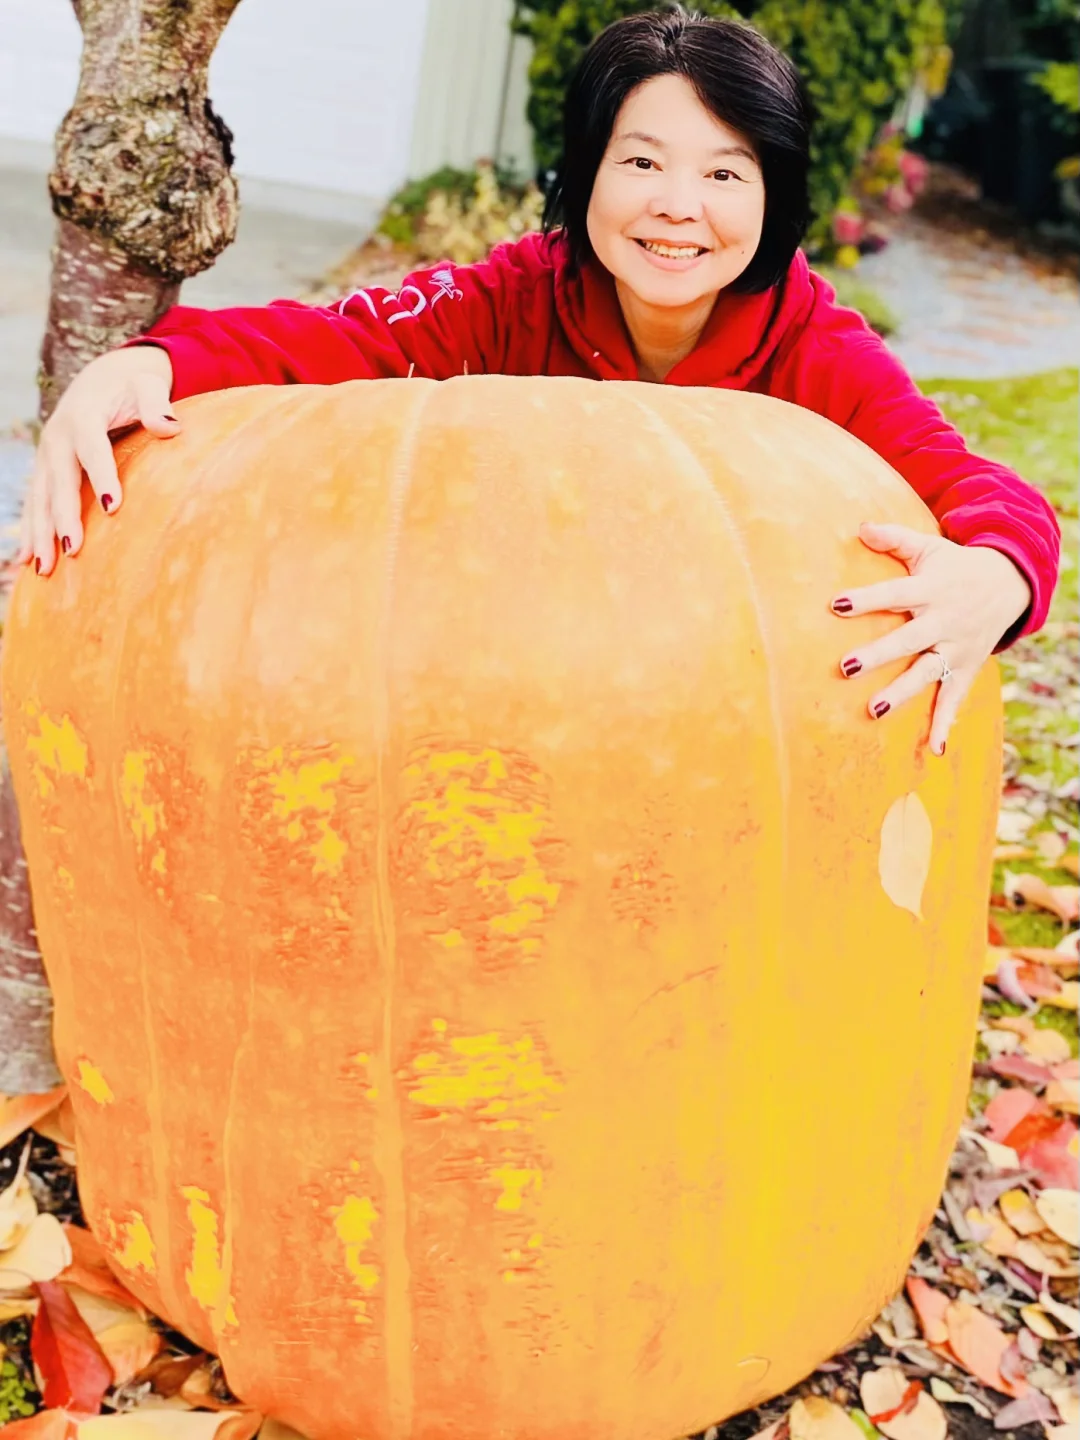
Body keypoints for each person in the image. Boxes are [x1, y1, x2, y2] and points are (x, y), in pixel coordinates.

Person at [20, 6, 1059, 757]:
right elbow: (329, 339)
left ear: (774, 196)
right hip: (506, 704)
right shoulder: (518, 296)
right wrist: (147, 359)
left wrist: (997, 577)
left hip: (715, 731)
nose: (677, 207)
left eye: (725, 171)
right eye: (641, 163)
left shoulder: (812, 346)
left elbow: (978, 489)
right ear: (587, 174)